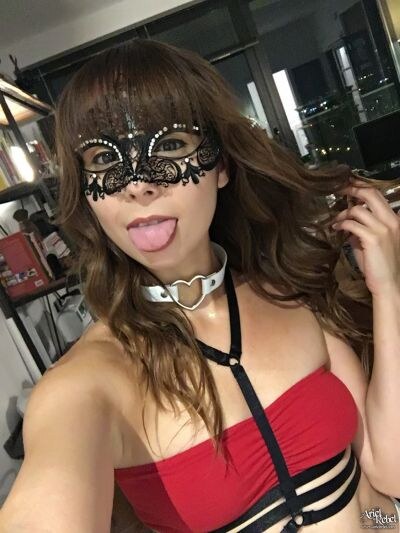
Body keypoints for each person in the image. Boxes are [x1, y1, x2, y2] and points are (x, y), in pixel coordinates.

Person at [1, 39, 399, 533]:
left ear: (221, 166)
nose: (138, 185)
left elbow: (388, 468)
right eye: (105, 158)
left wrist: (389, 291)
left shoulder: (288, 291)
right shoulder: (88, 383)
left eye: (169, 145)